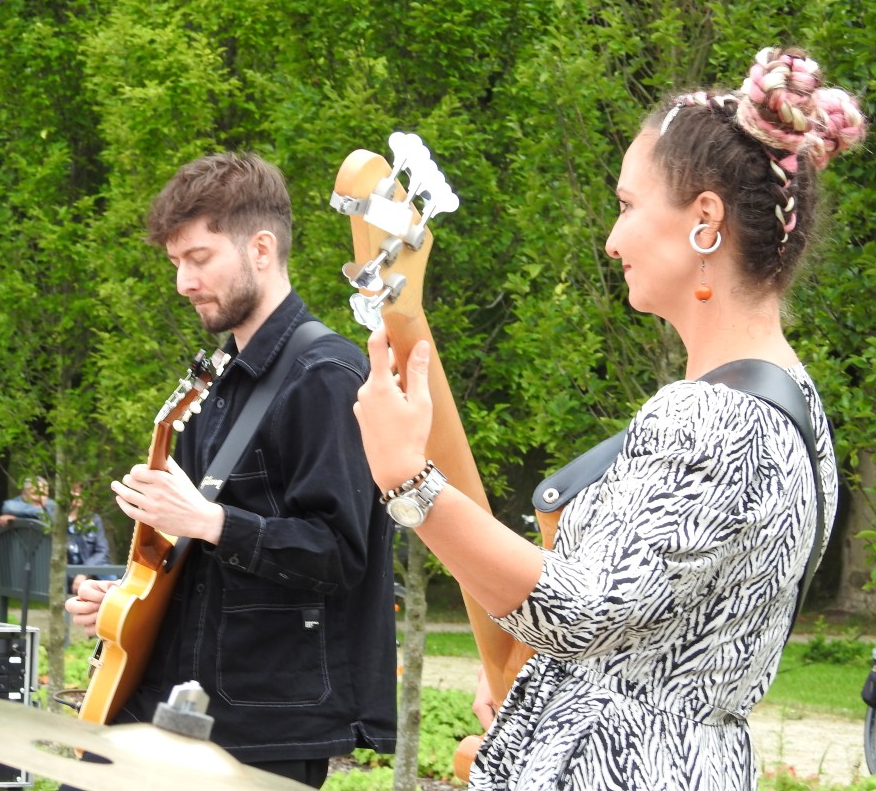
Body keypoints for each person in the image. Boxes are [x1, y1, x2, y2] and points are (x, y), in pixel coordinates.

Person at [352, 47, 867, 788]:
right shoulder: (793, 400)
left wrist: (409, 482)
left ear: (705, 220)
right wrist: (545, 696)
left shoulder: (714, 418)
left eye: (627, 206)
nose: (612, 239)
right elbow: (645, 630)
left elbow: (578, 611)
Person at [67, 152, 397, 787]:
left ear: (261, 249)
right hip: (178, 710)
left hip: (262, 730)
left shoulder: (327, 377)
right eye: (175, 263)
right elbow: (203, 564)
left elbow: (340, 555)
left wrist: (212, 521)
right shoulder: (218, 383)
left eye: (198, 258)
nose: (183, 282)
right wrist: (129, 603)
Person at [66, 480, 114, 590]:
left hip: (91, 567)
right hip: (68, 571)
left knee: (110, 576)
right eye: (74, 491)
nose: (78, 495)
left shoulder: (94, 519)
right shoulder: (59, 521)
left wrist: (84, 571)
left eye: (82, 492)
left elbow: (102, 551)